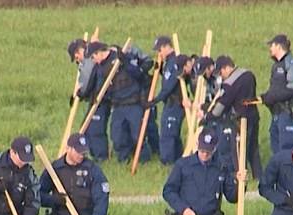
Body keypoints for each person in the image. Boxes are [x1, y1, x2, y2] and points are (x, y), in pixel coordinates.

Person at [199, 55, 262, 179]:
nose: (221, 76)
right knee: (253, 149)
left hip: (240, 120)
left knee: (237, 150)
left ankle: (240, 176)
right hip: (254, 116)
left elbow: (221, 106)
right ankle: (258, 175)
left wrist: (207, 117)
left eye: (221, 72)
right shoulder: (249, 75)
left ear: (227, 68)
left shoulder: (229, 84)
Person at [88, 41, 151, 163]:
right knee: (117, 136)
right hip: (117, 105)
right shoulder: (100, 68)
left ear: (99, 52)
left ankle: (144, 160)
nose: (93, 60)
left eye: (93, 57)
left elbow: (138, 74)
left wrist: (125, 63)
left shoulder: (121, 56)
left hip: (133, 103)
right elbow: (101, 88)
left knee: (137, 134)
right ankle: (123, 160)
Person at [146, 35, 190, 165]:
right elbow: (166, 79)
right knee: (172, 133)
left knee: (167, 134)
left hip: (175, 103)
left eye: (160, 50)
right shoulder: (168, 63)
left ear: (166, 47)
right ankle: (178, 158)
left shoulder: (175, 63)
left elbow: (169, 86)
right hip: (170, 103)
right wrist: (159, 70)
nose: (159, 54)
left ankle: (167, 161)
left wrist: (155, 100)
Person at [260, 34, 293, 154]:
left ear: (279, 47)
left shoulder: (292, 64)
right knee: (276, 148)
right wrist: (266, 97)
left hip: (287, 112)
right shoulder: (276, 65)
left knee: (286, 148)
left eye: (272, 45)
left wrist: (272, 97)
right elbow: (276, 89)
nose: (270, 48)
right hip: (276, 113)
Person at [69, 38, 112, 161]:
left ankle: (101, 157)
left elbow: (88, 82)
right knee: (87, 127)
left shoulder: (88, 61)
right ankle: (91, 154)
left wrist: (80, 94)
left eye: (76, 58)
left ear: (78, 52)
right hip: (95, 98)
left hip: (100, 100)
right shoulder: (86, 61)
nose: (78, 61)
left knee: (95, 129)